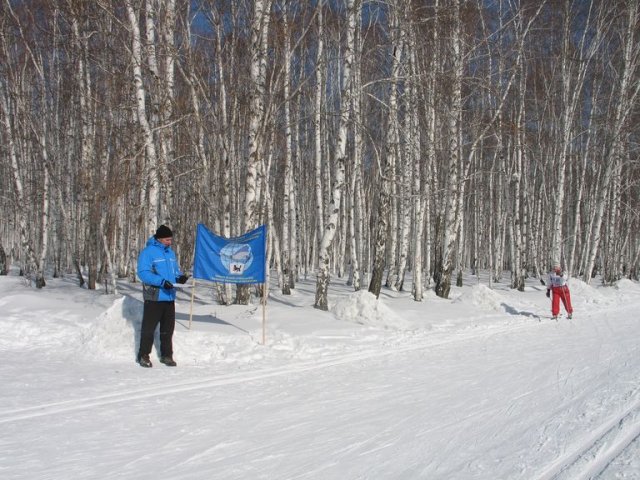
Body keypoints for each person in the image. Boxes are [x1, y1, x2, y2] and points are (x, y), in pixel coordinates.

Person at [136, 225, 189, 368]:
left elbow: (174, 271)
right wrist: (161, 282)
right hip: (154, 296)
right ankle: (143, 355)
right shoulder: (148, 252)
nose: (169, 242)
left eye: (171, 239)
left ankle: (167, 355)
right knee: (149, 328)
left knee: (167, 329)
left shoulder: (170, 253)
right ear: (159, 239)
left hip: (170, 297)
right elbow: (143, 273)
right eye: (167, 239)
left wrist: (179, 278)